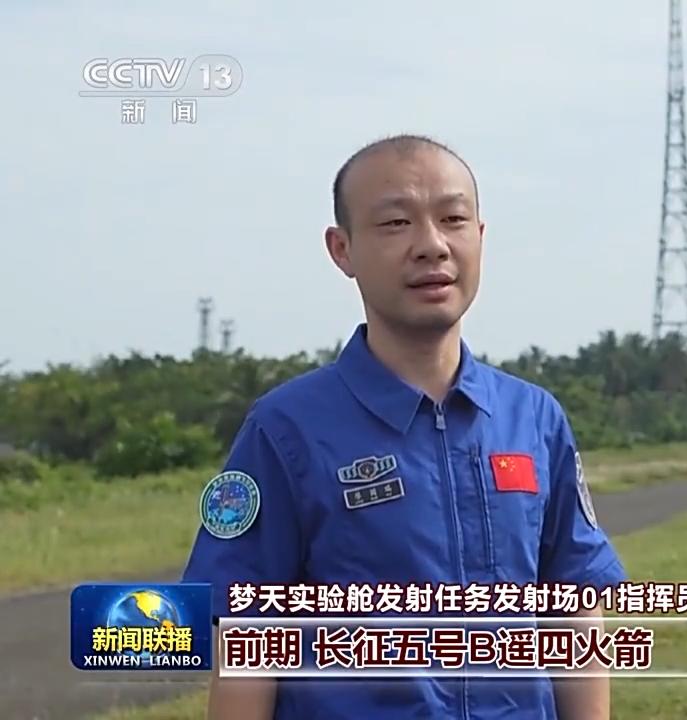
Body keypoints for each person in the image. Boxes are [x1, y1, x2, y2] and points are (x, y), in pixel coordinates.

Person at [182, 135, 627, 719]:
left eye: (453, 219)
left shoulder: (533, 418)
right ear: (342, 249)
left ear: (480, 236)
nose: (432, 245)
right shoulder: (285, 430)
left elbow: (576, 611)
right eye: (396, 223)